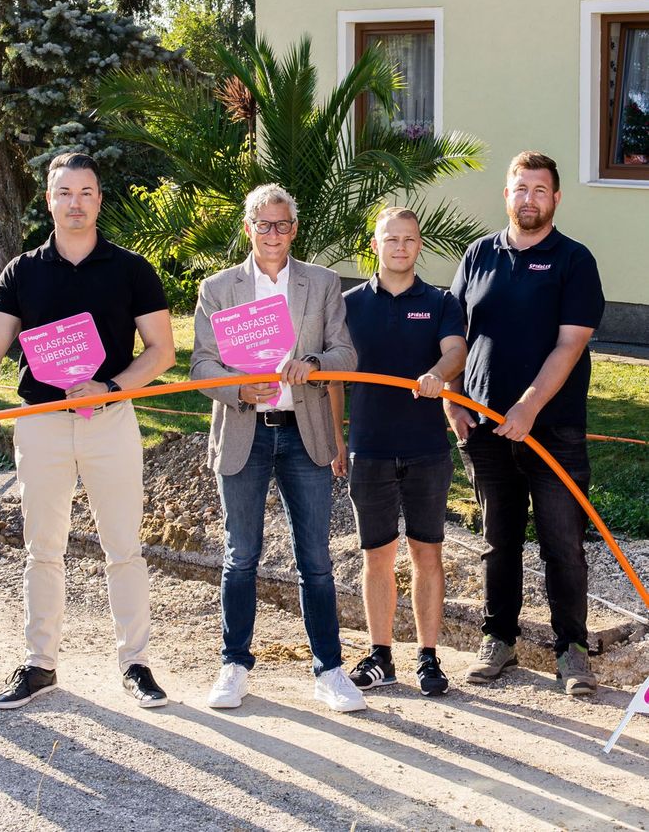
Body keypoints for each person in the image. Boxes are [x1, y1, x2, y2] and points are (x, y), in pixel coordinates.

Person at [0, 152, 175, 709]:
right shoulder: (21, 271)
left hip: (110, 419)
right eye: (64, 193)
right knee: (42, 548)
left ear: (99, 199)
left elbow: (162, 351)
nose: (75, 203)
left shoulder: (131, 268)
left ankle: (135, 664)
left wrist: (112, 386)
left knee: (123, 546)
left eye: (86, 192)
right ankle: (39, 664)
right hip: (41, 424)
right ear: (49, 200)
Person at [191, 183, 365, 713]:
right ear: (248, 229)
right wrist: (237, 388)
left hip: (303, 430)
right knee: (240, 555)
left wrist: (313, 365)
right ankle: (234, 665)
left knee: (315, 559)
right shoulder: (219, 288)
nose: (273, 234)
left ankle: (329, 671)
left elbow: (347, 355)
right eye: (263, 225)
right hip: (244, 428)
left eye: (282, 225)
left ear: (294, 229)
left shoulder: (323, 282)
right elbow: (200, 366)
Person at [445, 151, 605, 696]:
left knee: (562, 542)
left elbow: (570, 344)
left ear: (556, 198)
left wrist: (531, 406)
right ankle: (500, 640)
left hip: (553, 428)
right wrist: (452, 396)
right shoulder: (477, 255)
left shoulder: (573, 260)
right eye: (520, 189)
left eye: (540, 190)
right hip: (487, 428)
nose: (529, 199)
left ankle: (573, 649)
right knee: (499, 540)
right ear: (506, 195)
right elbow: (456, 337)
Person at [330, 207, 467, 696]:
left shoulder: (440, 301)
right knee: (378, 555)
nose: (401, 247)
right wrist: (337, 439)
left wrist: (439, 373)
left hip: (426, 449)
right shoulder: (347, 304)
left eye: (409, 239)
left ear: (419, 246)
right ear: (375, 245)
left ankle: (428, 658)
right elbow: (334, 378)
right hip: (370, 449)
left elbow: (456, 351)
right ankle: (381, 656)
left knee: (427, 553)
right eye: (392, 239)